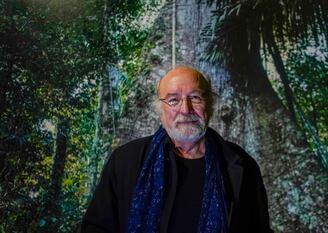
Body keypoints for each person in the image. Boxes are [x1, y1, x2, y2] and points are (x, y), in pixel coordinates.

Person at [81, 66, 273, 233]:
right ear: (160, 110)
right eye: (173, 100)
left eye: (196, 97)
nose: (186, 109)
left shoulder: (240, 164)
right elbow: (97, 228)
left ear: (210, 105)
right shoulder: (125, 160)